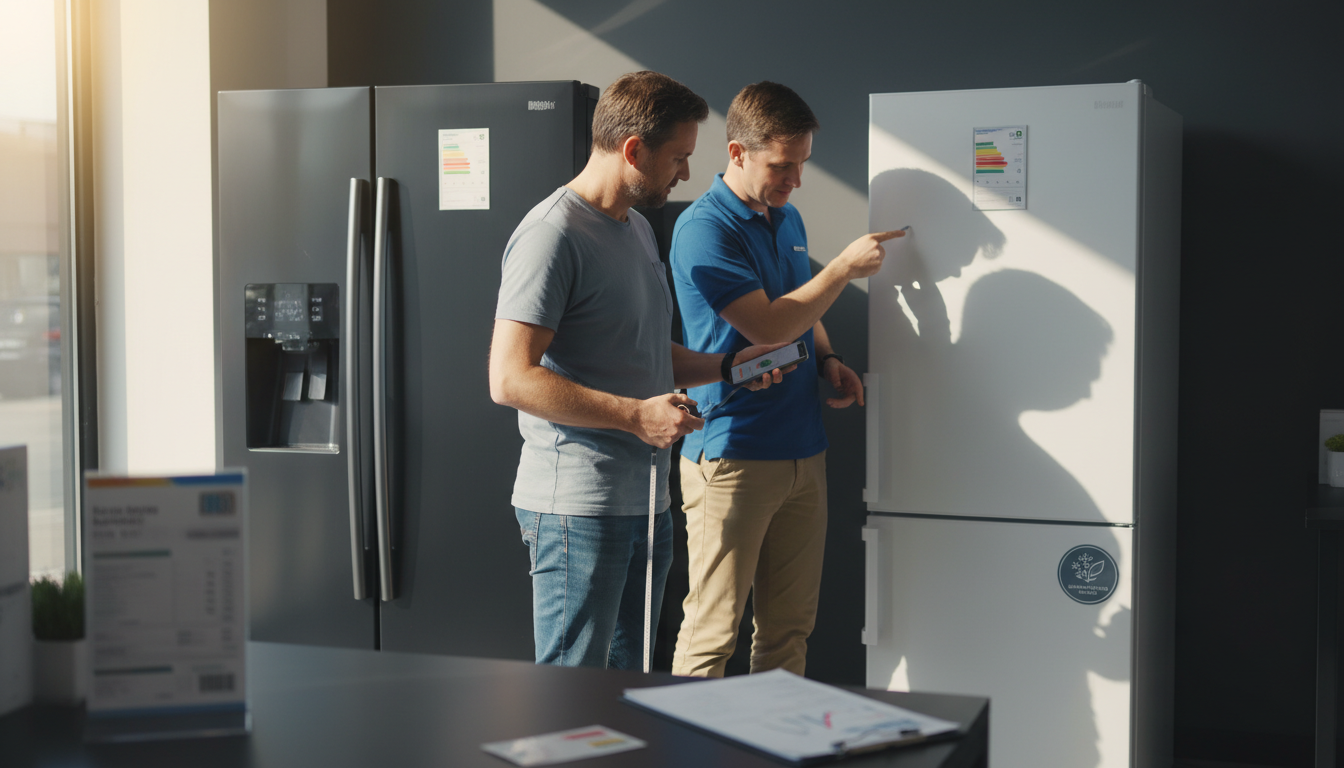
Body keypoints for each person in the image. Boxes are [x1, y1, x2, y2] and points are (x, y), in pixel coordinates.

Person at [488, 71, 791, 670]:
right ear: (633, 150)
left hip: (646, 500)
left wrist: (728, 366)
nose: (686, 173)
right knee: (572, 694)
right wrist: (634, 416)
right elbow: (509, 378)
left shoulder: (636, 230)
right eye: (678, 158)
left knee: (629, 687)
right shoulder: (552, 235)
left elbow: (644, 350)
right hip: (577, 508)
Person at [669, 81, 906, 677]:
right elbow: (770, 326)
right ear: (737, 152)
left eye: (802, 164)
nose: (795, 180)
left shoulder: (786, 216)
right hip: (733, 454)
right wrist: (844, 268)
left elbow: (800, 307)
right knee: (712, 634)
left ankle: (772, 732)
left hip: (804, 450)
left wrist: (827, 360)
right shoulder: (703, 229)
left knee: (789, 631)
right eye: (782, 165)